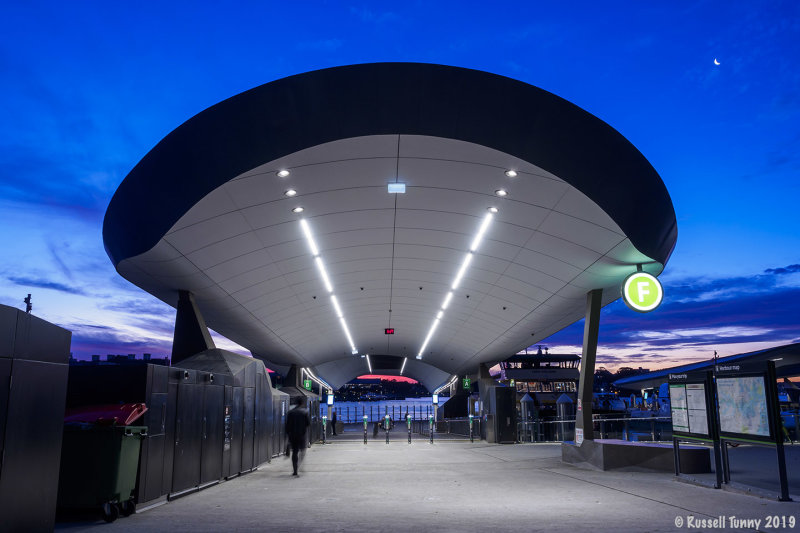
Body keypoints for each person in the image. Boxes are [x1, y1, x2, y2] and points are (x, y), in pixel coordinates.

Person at [285, 397, 310, 476]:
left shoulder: (290, 412)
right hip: (302, 435)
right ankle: (299, 466)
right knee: (302, 451)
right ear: (302, 403)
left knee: (294, 452)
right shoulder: (304, 412)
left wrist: (288, 435)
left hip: (292, 435)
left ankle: (295, 470)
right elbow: (308, 424)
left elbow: (287, 425)